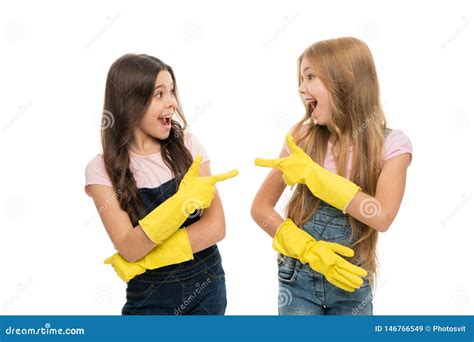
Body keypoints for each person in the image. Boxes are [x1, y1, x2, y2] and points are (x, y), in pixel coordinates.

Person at [251, 37, 412, 315]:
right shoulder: (302, 138)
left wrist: (316, 177)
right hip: (297, 277)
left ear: (346, 80)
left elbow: (382, 215)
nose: (301, 88)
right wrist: (306, 249)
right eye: (301, 78)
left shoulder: (391, 145)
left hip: (351, 283)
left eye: (311, 76)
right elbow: (260, 208)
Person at [85, 54, 237, 315]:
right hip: (148, 297)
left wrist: (150, 257)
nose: (173, 103)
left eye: (172, 92)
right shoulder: (101, 171)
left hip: (207, 288)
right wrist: (180, 205)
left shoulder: (188, 146)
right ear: (130, 102)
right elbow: (129, 247)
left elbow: (216, 227)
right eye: (159, 94)